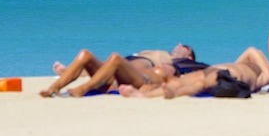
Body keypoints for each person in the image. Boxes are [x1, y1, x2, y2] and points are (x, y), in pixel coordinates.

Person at [41, 44, 197, 97]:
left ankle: (83, 89)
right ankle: (53, 89)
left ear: (189, 56)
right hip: (115, 73)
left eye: (184, 46)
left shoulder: (178, 62)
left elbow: (202, 69)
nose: (179, 44)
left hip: (137, 78)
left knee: (115, 58)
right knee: (85, 54)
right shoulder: (157, 52)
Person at [119, 47, 269, 98]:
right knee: (199, 84)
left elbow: (251, 50)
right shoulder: (261, 74)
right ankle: (149, 95)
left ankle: (148, 94)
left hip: (221, 70)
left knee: (187, 81)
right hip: (229, 74)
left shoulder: (257, 69)